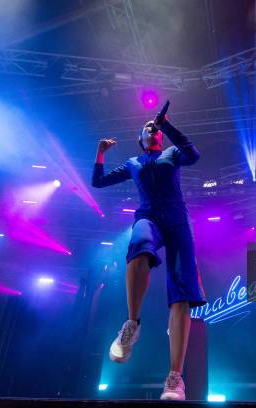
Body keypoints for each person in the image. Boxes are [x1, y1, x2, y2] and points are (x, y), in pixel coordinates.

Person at [91, 114, 206, 401]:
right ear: (140, 140)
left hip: (178, 220)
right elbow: (98, 181)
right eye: (147, 127)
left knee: (181, 294)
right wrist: (100, 154)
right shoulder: (133, 163)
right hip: (149, 215)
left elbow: (193, 154)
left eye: (154, 127)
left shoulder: (171, 153)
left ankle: (174, 380)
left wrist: (166, 124)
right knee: (140, 245)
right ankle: (132, 325)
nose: (151, 128)